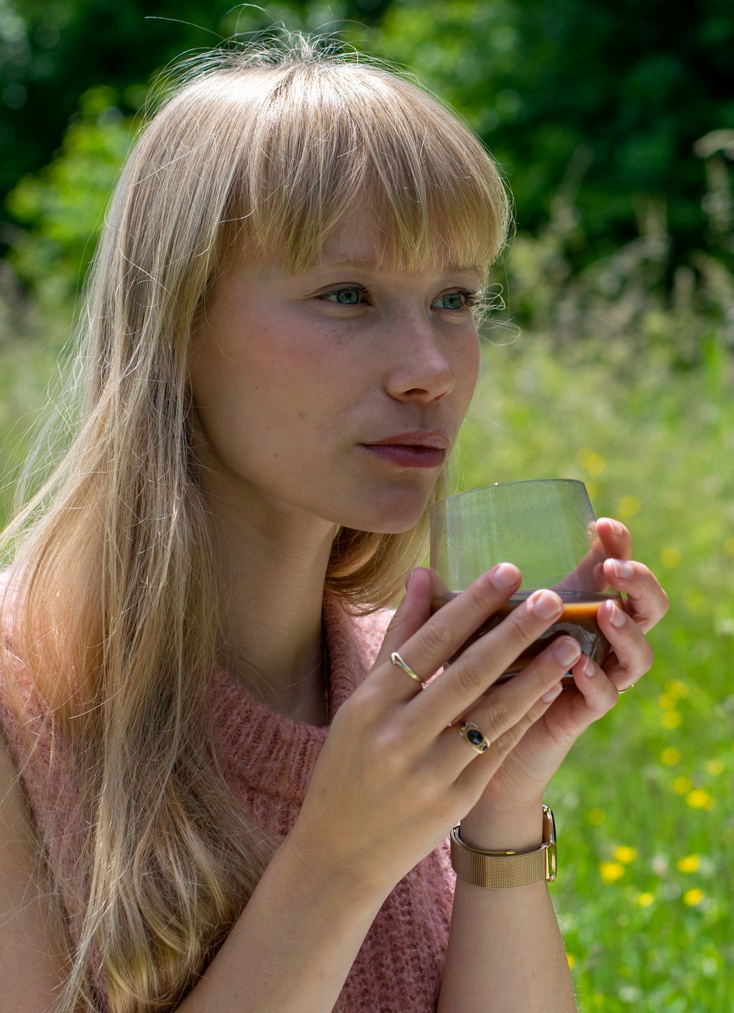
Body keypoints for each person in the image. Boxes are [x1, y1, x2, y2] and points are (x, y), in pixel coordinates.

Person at [0, 37, 669, 1013]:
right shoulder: (22, 713)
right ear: (175, 323)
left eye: (455, 298)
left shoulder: (398, 687)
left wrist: (497, 807)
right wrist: (341, 857)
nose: (428, 367)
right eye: (346, 294)